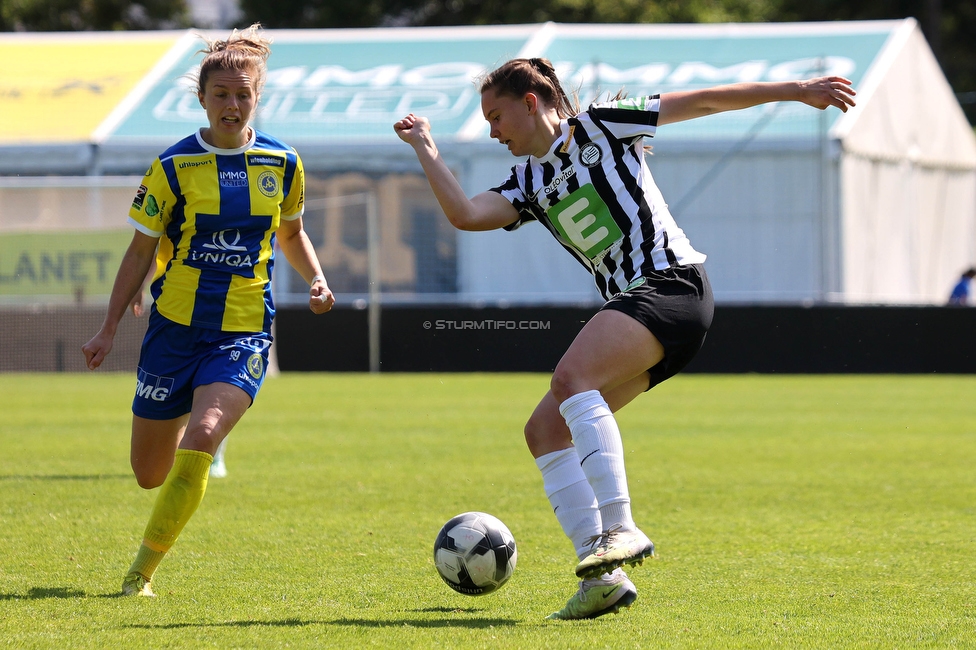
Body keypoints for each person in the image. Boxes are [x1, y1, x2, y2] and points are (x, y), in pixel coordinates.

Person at [395, 58, 855, 620]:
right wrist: (425, 147)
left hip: (671, 285)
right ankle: (602, 578)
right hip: (643, 309)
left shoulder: (602, 124)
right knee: (544, 430)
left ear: (531, 101)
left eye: (497, 116)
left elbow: (706, 100)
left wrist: (798, 89)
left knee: (571, 379)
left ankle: (620, 526)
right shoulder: (528, 183)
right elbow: (466, 214)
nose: (494, 132)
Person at [82, 24, 335, 597]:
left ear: (257, 97)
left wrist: (317, 279)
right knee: (149, 474)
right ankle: (180, 466)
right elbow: (141, 250)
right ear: (202, 99)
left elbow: (292, 234)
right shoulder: (172, 167)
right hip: (172, 329)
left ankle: (139, 575)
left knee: (207, 432)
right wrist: (108, 327)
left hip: (243, 329)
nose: (232, 104)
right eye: (221, 94)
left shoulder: (283, 162)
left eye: (243, 94)